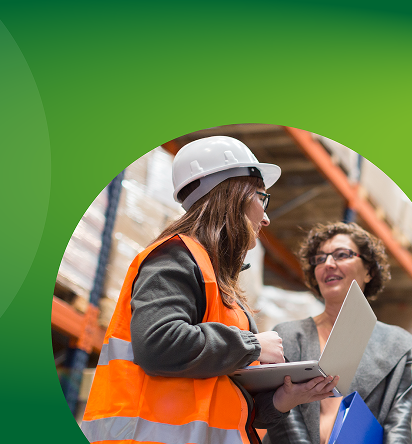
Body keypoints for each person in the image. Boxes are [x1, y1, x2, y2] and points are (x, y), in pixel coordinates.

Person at [80, 136, 339, 444]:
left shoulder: (222, 289)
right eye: (262, 198)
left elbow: (234, 404)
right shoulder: (174, 257)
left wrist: (288, 397)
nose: (266, 217)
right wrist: (253, 346)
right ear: (233, 194)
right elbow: (158, 345)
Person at [264, 222, 412, 444]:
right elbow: (283, 420)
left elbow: (398, 427)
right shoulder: (287, 336)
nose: (328, 263)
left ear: (369, 271)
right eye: (319, 259)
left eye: (341, 254)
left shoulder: (395, 345)